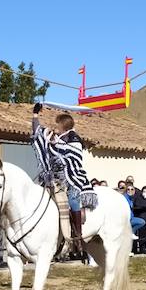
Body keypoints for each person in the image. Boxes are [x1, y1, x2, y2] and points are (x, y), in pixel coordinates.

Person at [31, 103, 95, 257]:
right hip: (52, 177)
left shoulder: (74, 138)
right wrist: (35, 116)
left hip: (71, 175)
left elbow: (73, 156)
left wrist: (56, 145)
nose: (55, 126)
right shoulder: (56, 138)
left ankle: (78, 236)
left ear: (63, 125)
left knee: (73, 200)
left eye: (57, 124)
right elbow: (38, 133)